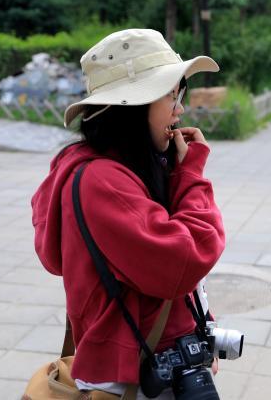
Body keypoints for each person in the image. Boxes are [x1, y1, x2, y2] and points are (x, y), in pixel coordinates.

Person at [31, 29, 226, 399]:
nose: (180, 109)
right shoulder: (102, 181)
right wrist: (191, 176)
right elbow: (186, 258)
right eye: (171, 95)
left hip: (159, 359)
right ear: (134, 105)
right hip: (137, 375)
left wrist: (197, 324)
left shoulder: (125, 167)